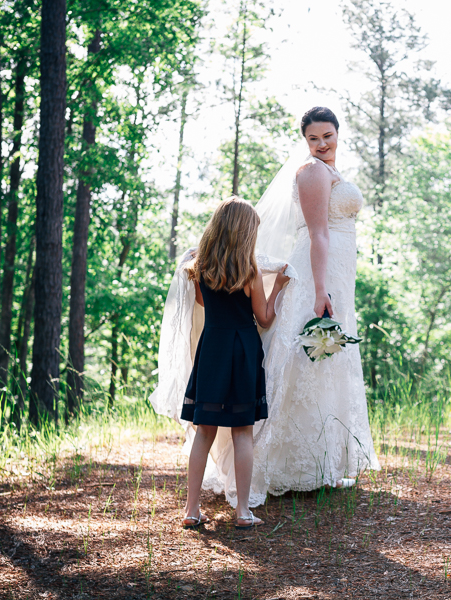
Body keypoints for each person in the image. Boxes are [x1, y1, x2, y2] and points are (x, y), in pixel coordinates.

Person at [248, 106, 380, 505]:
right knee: (305, 358)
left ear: (338, 133)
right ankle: (283, 465)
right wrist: (321, 290)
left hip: (338, 271)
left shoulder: (331, 171)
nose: (322, 144)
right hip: (317, 273)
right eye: (313, 138)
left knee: (328, 361)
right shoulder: (311, 172)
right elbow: (319, 233)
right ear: (304, 141)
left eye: (327, 136)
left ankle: (325, 464)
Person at [180, 198, 289, 529]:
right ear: (245, 234)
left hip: (212, 348)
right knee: (242, 432)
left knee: (204, 431)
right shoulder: (250, 272)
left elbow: (203, 303)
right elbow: (265, 318)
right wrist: (278, 287)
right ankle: (242, 511)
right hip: (242, 350)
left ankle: (191, 510)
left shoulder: (200, 269)